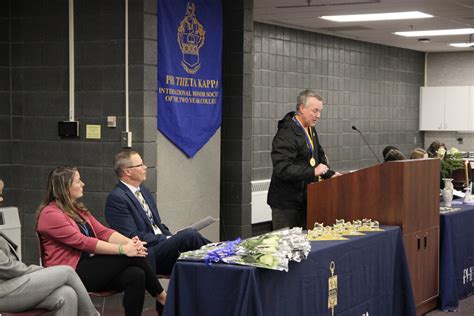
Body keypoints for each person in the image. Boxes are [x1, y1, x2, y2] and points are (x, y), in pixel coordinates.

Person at [36, 166, 166, 316]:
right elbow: (83, 242)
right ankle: (162, 297)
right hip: (70, 272)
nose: (83, 184)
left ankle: (159, 300)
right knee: (131, 257)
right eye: (78, 181)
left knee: (135, 274)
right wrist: (123, 250)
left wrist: (130, 243)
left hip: (89, 266)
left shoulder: (77, 209)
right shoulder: (50, 214)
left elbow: (103, 232)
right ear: (65, 187)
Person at [104, 151, 210, 276]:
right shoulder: (117, 199)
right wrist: (167, 239)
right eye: (140, 165)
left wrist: (170, 237)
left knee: (197, 257)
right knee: (189, 236)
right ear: (128, 171)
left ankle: (223, 257)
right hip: (148, 253)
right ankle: (225, 252)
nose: (145, 168)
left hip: (161, 245)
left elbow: (157, 224)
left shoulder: (143, 190)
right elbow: (133, 236)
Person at [267, 89, 340, 230]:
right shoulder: (286, 132)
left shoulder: (310, 129)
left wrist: (330, 174)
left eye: (320, 111)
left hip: (307, 201)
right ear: (301, 108)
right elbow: (282, 169)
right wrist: (313, 172)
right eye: (315, 111)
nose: (318, 116)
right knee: (288, 249)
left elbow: (317, 156)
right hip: (286, 205)